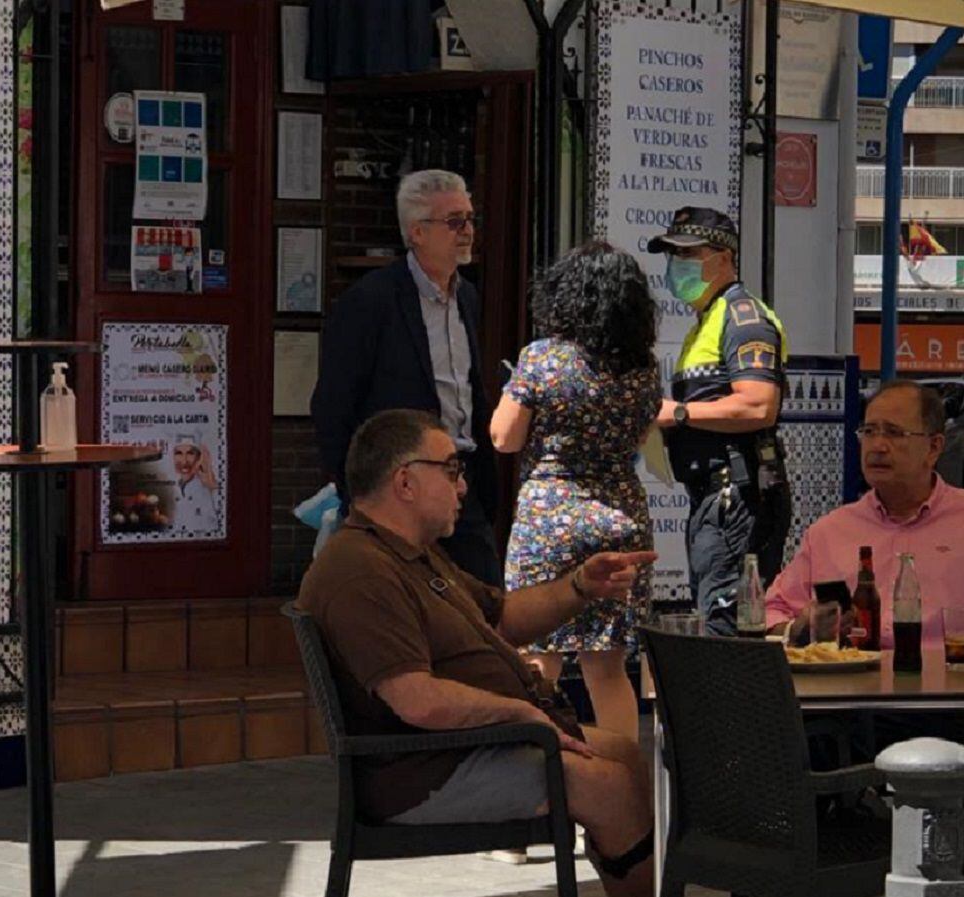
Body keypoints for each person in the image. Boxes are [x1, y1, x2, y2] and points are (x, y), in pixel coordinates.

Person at [297, 409, 656, 897]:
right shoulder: (360, 572)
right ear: (405, 482)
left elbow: (503, 616)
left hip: (463, 750)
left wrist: (580, 586)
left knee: (625, 756)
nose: (462, 486)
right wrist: (523, 713)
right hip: (419, 772)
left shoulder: (409, 553)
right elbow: (417, 700)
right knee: (606, 785)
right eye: (450, 470)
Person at [490, 241, 660, 744]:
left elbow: (504, 437)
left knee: (538, 659)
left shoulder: (541, 358)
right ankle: (623, 781)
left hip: (551, 518)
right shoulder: (644, 367)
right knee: (606, 669)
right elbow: (642, 435)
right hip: (621, 518)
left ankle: (541, 774)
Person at [311, 169, 500, 585]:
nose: (467, 231)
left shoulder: (466, 296)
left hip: (462, 483)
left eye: (470, 219)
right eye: (454, 221)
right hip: (399, 491)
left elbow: (469, 391)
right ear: (417, 232)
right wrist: (356, 495)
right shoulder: (371, 300)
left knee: (482, 610)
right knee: (404, 611)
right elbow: (333, 405)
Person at [766, 380, 964, 750]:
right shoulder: (830, 532)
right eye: (869, 432)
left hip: (948, 707)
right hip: (851, 708)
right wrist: (802, 626)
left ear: (934, 447)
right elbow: (768, 614)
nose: (877, 446)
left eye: (893, 432)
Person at [647, 206, 791, 636]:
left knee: (726, 628)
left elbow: (758, 406)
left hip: (738, 496)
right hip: (714, 497)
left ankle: (732, 705)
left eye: (689, 255)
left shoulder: (745, 319)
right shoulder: (706, 321)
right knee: (717, 618)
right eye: (672, 256)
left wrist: (679, 412)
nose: (677, 266)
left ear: (724, 258)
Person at [172, 432, 218, 533]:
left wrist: (212, 486)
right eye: (178, 453)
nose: (184, 461)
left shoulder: (211, 489)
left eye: (190, 453)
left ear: (199, 458)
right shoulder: (172, 489)